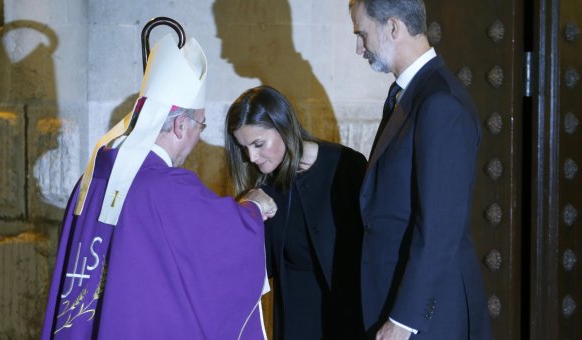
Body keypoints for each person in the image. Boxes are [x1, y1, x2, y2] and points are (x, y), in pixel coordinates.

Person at [41, 33, 276, 340]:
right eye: (199, 126)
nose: (197, 139)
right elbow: (224, 239)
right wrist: (254, 207)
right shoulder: (167, 188)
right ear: (180, 126)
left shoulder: (93, 178)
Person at [349, 0, 493, 339]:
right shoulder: (408, 93)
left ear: (393, 27)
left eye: (362, 33)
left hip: (430, 316)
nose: (359, 48)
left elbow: (439, 228)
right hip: (401, 298)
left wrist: (404, 319)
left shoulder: (440, 103)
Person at [225, 85, 368, 340]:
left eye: (258, 144)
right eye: (244, 148)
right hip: (297, 324)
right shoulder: (263, 190)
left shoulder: (347, 165)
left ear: (283, 126)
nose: (251, 157)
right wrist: (246, 210)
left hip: (353, 319)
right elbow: (251, 268)